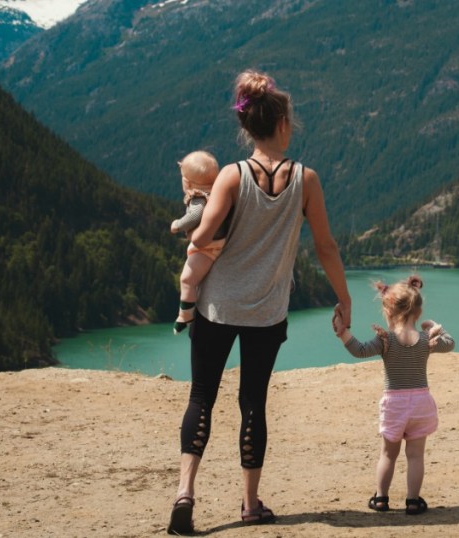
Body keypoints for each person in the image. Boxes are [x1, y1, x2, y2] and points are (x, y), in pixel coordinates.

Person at [167, 69, 352, 535]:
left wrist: (196, 233)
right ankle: (250, 505)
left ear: (247, 127)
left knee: (202, 397)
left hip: (216, 308)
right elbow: (326, 246)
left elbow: (205, 233)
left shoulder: (231, 176)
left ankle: (185, 494)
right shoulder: (306, 180)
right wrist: (344, 297)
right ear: (284, 124)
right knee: (253, 404)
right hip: (267, 313)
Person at [332, 275, 455, 516]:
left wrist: (342, 332)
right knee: (416, 455)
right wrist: (435, 327)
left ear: (388, 311)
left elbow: (359, 350)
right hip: (421, 404)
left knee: (388, 454)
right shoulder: (425, 340)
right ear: (417, 313)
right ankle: (412, 501)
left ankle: (380, 499)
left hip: (395, 405)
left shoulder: (385, 340)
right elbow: (450, 343)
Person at [170, 150, 224, 335]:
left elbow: (194, 216)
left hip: (209, 248)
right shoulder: (220, 193)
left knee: (187, 279)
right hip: (224, 243)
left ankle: (185, 315)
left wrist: (177, 225)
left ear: (187, 182)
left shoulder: (198, 198)